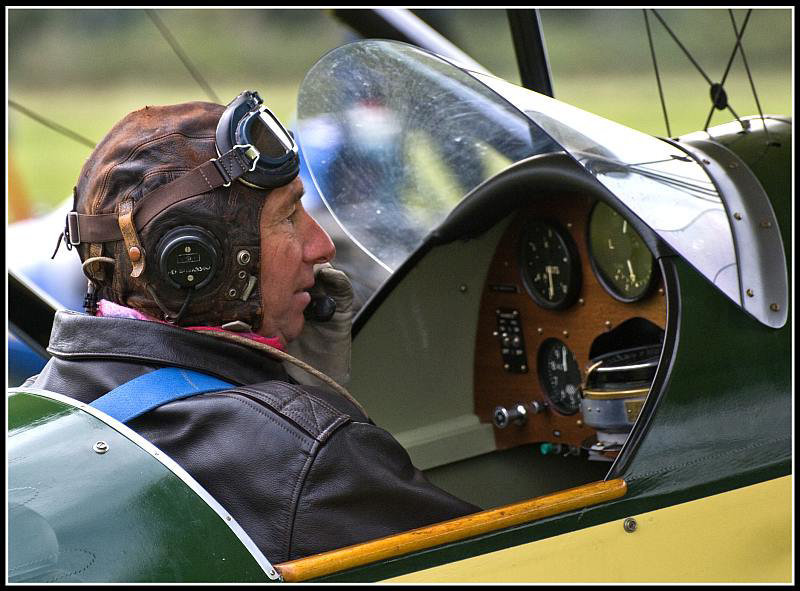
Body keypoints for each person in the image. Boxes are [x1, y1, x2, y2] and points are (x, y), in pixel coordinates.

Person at [25, 91, 478, 562]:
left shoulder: (38, 403)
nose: (321, 246)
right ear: (198, 263)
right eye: (288, 216)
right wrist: (315, 416)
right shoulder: (310, 460)